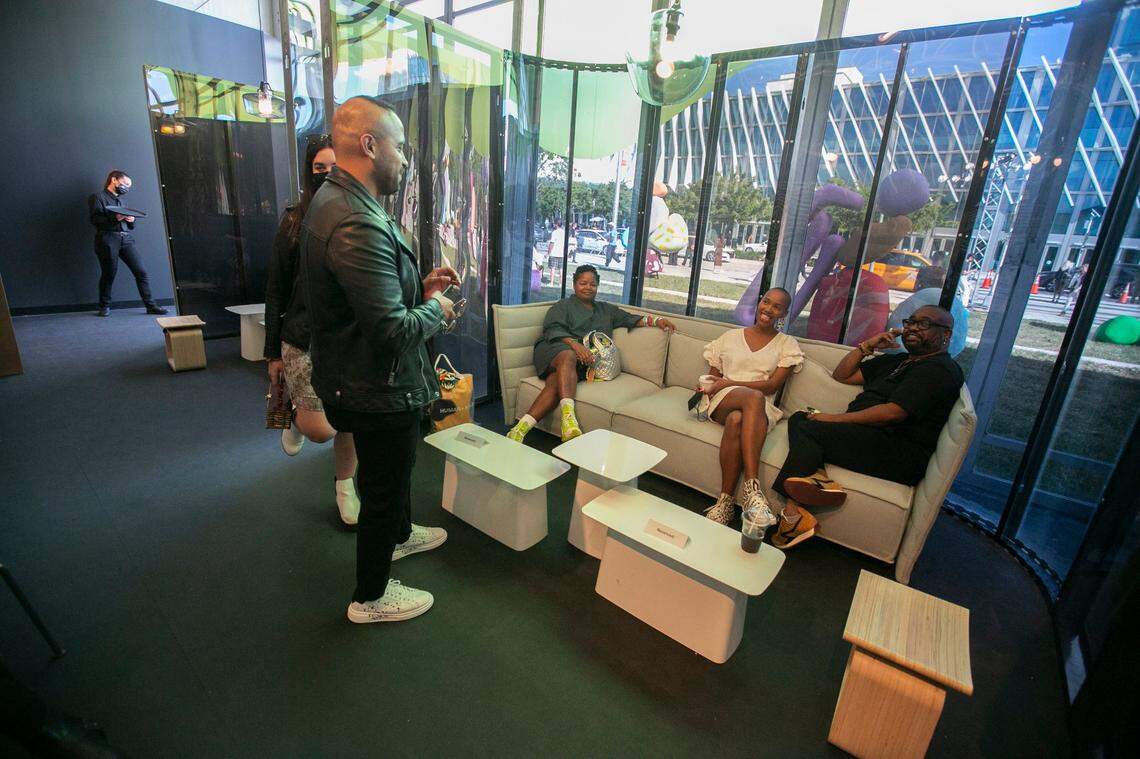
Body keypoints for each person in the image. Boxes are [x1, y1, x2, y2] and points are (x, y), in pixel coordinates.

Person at [302, 96, 457, 624]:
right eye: (401, 146)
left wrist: (421, 288)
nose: (407, 159)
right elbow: (390, 331)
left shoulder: (340, 203)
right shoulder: (353, 219)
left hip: (365, 379)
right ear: (370, 144)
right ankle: (370, 598)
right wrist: (436, 307)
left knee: (393, 473)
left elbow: (368, 301)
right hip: (376, 386)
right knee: (383, 487)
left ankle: (401, 535)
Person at [767, 305, 963, 549]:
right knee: (801, 418)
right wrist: (867, 345)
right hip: (868, 437)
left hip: (897, 451)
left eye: (923, 324)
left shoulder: (939, 370)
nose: (912, 327)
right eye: (910, 322)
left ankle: (793, 515)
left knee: (807, 424)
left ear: (946, 335)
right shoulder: (900, 361)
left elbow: (892, 414)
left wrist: (830, 419)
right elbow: (842, 375)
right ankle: (815, 486)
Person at [263, 135, 360, 525]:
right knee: (321, 429)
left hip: (345, 338)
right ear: (309, 171)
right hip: (301, 335)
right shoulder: (292, 220)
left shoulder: (356, 217)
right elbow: (275, 290)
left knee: (349, 417)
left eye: (334, 168)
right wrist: (271, 353)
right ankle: (287, 414)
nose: (326, 175)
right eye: (319, 169)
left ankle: (345, 486)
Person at [507, 264, 677, 443]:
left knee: (556, 383)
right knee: (568, 356)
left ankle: (519, 430)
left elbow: (630, 319)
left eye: (592, 284)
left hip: (581, 362)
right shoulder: (563, 305)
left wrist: (657, 321)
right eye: (583, 283)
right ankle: (569, 418)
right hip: (554, 349)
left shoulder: (606, 310)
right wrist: (574, 345)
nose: (588, 287)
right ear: (574, 284)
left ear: (597, 286)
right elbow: (552, 328)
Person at [698, 287, 803, 526]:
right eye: (766, 302)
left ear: (784, 314)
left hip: (760, 409)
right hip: (724, 398)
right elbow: (714, 381)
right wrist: (721, 385)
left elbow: (773, 385)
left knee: (738, 418)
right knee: (751, 398)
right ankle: (753, 489)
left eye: (777, 306)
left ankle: (725, 503)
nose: (768, 309)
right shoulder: (730, 337)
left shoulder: (787, 344)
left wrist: (731, 380)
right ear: (759, 303)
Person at [88, 171, 167, 317]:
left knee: (141, 271)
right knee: (109, 273)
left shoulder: (123, 202)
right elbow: (95, 220)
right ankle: (104, 306)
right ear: (114, 180)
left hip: (126, 239)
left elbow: (130, 226)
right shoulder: (98, 197)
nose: (126, 188)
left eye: (129, 186)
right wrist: (116, 218)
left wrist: (131, 220)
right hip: (107, 239)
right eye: (125, 184)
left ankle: (151, 306)